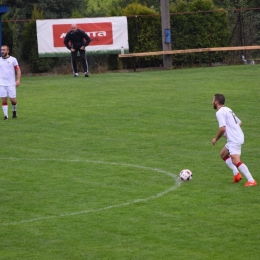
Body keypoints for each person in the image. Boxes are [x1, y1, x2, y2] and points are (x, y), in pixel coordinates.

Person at [211, 94, 257, 186]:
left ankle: (251, 180)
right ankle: (236, 174)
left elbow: (222, 128)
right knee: (223, 154)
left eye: (213, 100)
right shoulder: (228, 109)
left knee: (235, 160)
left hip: (234, 139)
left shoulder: (219, 112)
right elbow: (239, 122)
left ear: (216, 102)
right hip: (235, 137)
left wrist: (216, 139)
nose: (212, 102)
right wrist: (231, 131)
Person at [0, 45, 21, 120]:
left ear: (8, 51)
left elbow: (18, 70)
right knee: (4, 99)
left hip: (11, 84)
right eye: (1, 50)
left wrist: (18, 80)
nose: (2, 51)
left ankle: (14, 110)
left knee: (13, 100)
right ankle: (6, 116)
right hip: (2, 84)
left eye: (4, 50)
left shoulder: (13, 60)